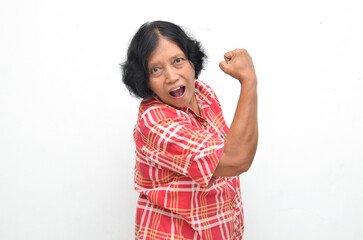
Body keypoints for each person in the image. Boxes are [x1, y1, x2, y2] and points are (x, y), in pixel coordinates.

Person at [121, 21, 258, 240]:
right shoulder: (155, 121)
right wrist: (249, 80)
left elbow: (223, 160)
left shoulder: (203, 94)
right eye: (156, 69)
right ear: (144, 79)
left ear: (191, 60)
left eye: (178, 61)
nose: (172, 77)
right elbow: (236, 159)